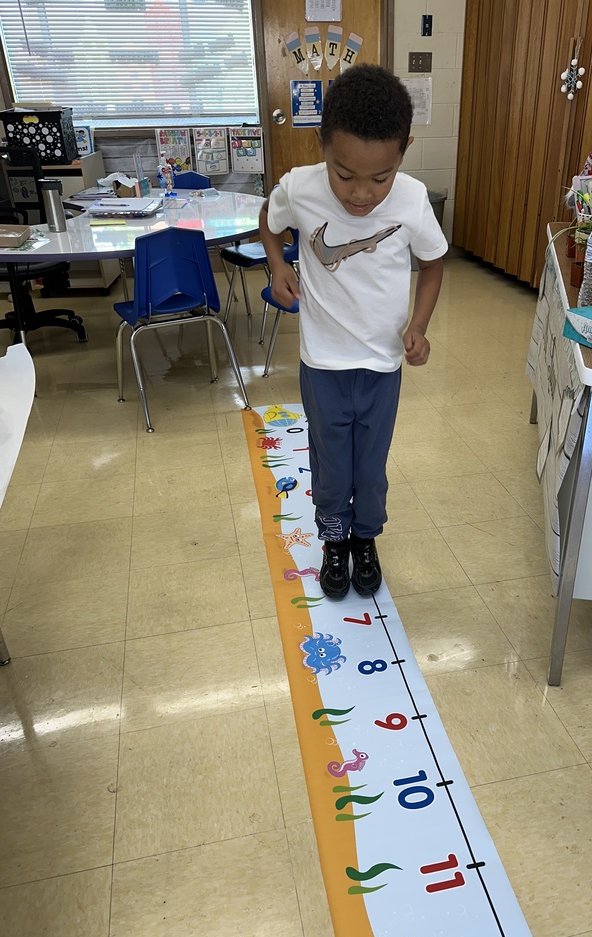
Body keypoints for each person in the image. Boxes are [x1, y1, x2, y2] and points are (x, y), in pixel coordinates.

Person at [259, 63, 447, 599]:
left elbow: (432, 264)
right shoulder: (300, 189)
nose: (361, 194)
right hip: (323, 364)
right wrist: (279, 267)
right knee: (330, 458)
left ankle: (366, 538)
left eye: (378, 178)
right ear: (323, 146)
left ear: (403, 152)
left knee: (372, 462)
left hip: (383, 365)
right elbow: (268, 225)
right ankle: (334, 541)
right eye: (345, 175)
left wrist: (419, 325)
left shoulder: (411, 200)